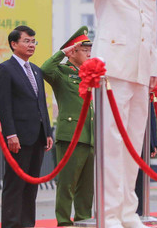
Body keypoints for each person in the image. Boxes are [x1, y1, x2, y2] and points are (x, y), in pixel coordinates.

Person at [77, 0, 157, 228]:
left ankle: (127, 211)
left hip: (139, 69)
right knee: (112, 145)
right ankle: (109, 213)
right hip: (113, 70)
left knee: (132, 145)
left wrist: (152, 70)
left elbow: (149, 26)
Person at [0, 25, 52, 228]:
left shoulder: (35, 70)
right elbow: (3, 105)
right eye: (27, 41)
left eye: (34, 41)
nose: (31, 45)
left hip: (38, 136)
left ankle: (27, 224)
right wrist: (10, 133)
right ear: (14, 44)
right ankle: (10, 224)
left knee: (31, 184)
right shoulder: (5, 69)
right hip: (18, 137)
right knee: (15, 183)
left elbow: (41, 103)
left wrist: (48, 132)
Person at [41, 26, 96, 226]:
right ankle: (64, 222)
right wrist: (63, 53)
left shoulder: (90, 73)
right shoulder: (63, 72)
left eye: (90, 50)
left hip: (89, 136)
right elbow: (45, 70)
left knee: (87, 186)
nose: (89, 54)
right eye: (84, 50)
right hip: (71, 135)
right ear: (73, 51)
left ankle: (83, 220)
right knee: (67, 184)